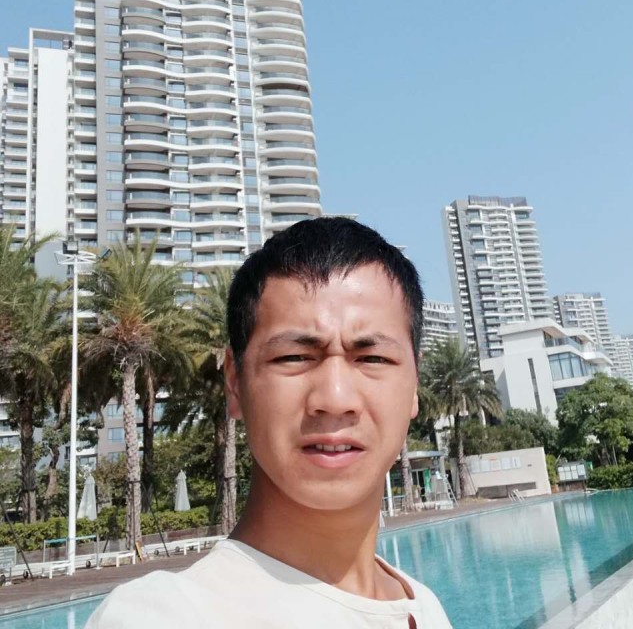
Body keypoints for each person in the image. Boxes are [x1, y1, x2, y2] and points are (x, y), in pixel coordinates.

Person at [86, 217, 453, 629]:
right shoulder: (162, 615)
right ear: (234, 383)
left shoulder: (426, 606)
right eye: (294, 357)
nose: (335, 399)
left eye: (373, 358)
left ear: (415, 384)